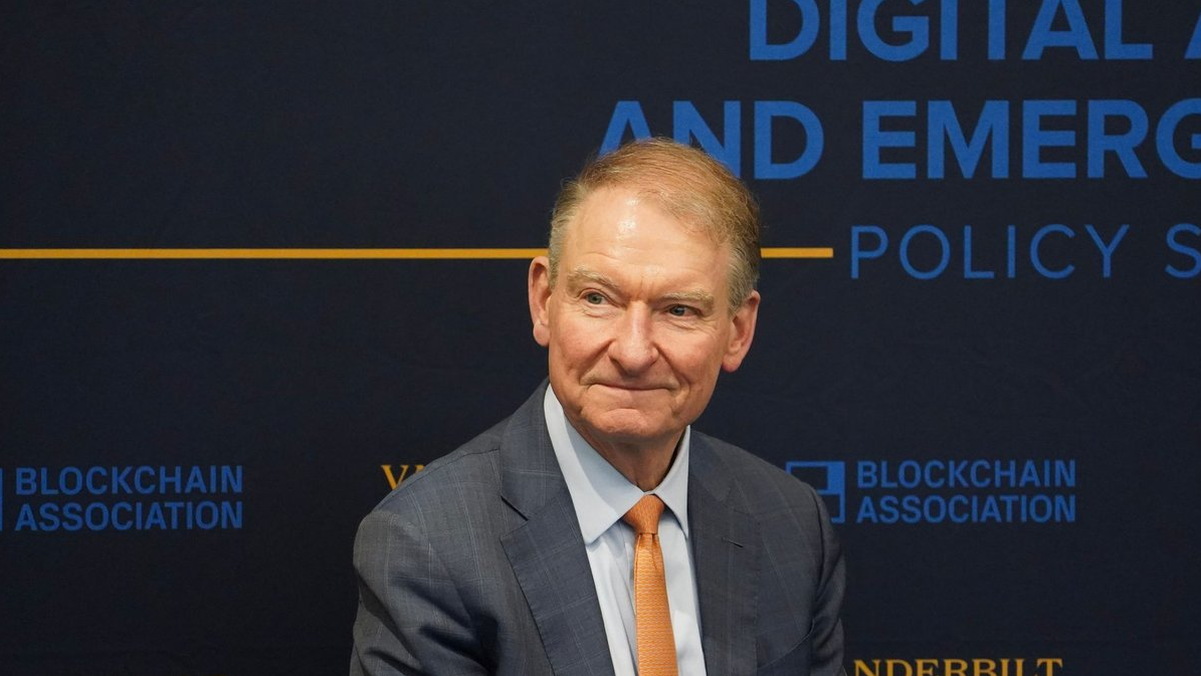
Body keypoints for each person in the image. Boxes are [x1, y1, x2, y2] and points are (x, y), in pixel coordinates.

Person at [350, 138, 845, 676]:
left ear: (738, 331)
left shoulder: (792, 523)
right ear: (544, 301)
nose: (633, 352)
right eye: (597, 299)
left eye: (679, 310)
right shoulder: (426, 542)